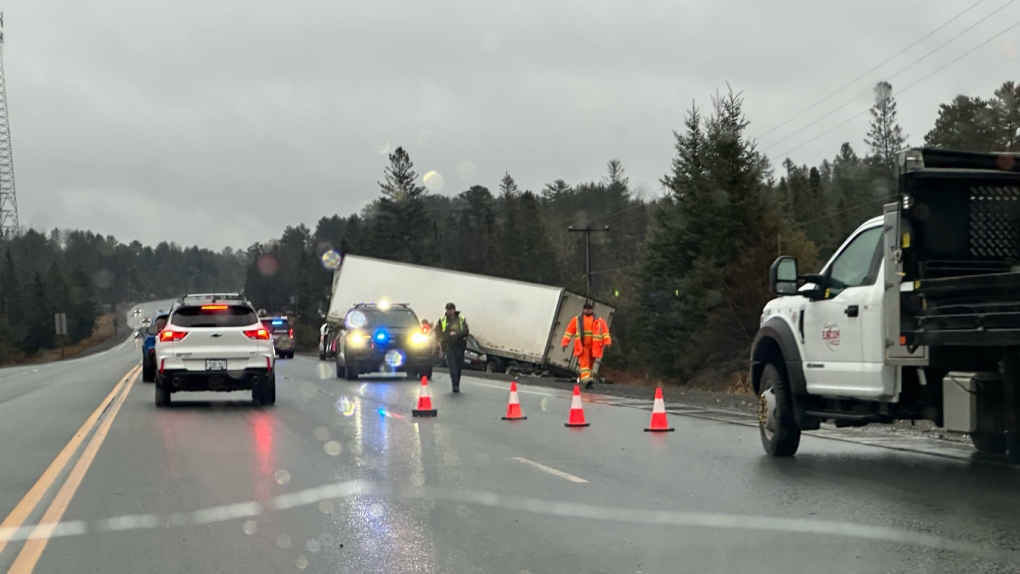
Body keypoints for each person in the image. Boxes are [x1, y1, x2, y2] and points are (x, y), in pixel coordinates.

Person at [561, 301, 612, 389]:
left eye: (589, 309)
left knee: (590, 365)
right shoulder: (576, 320)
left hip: (594, 347)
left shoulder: (599, 321)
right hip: (582, 345)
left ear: (592, 310)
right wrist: (565, 343)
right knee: (584, 363)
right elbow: (569, 332)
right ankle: (586, 380)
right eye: (586, 309)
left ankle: (587, 378)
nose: (588, 311)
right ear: (583, 310)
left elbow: (605, 333)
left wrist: (607, 342)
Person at [437, 302, 469, 393]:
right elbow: (438, 332)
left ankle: (457, 383)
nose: (449, 311)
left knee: (458, 366)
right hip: (448, 347)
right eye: (447, 309)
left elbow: (465, 331)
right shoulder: (442, 320)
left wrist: (456, 334)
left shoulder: (461, 319)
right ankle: (454, 384)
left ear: (454, 310)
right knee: (452, 367)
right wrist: (442, 343)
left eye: (450, 309)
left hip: (459, 346)